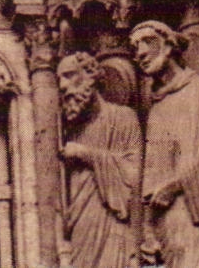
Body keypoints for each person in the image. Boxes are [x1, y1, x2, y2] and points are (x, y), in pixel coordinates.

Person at [130, 21, 199, 268]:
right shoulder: (157, 110)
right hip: (169, 224)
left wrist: (176, 184)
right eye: (134, 48)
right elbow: (152, 178)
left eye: (147, 42)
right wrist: (147, 230)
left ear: (169, 45)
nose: (140, 53)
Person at [57, 51, 141, 268]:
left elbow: (135, 175)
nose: (63, 87)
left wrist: (86, 154)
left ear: (90, 76)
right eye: (59, 81)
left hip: (113, 221)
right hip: (80, 225)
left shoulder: (123, 117)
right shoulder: (70, 133)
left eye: (68, 76)